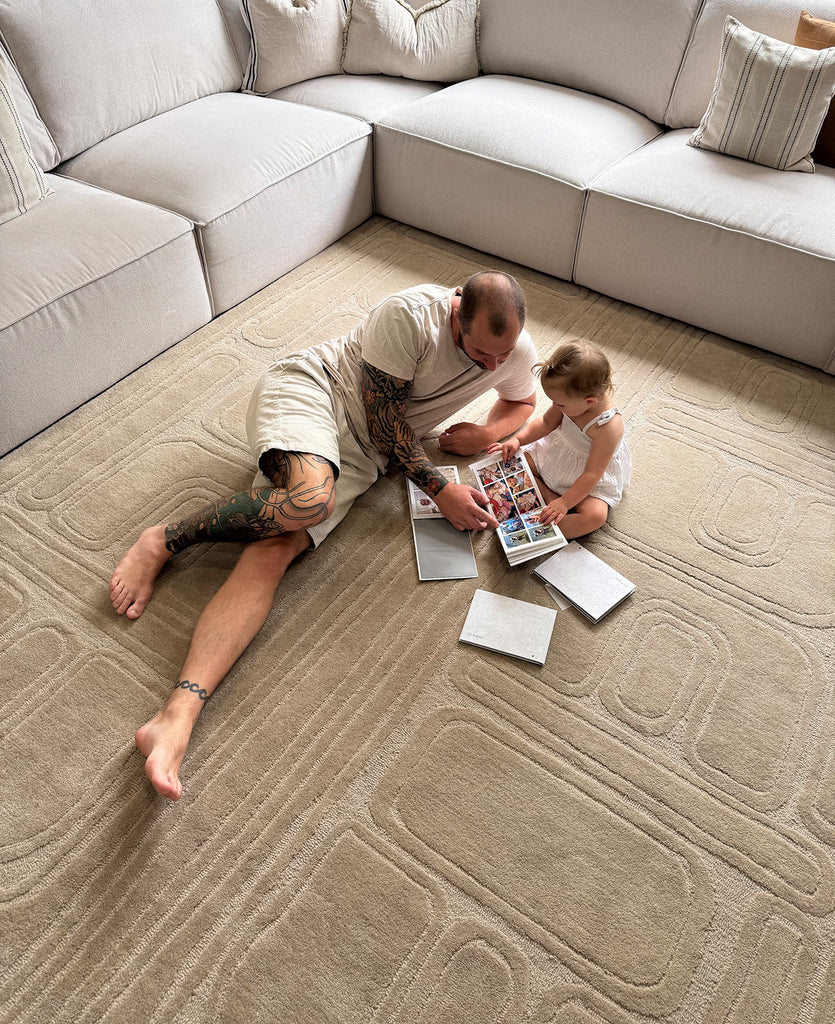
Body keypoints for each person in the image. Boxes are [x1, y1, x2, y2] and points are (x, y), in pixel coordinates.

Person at [110, 271, 537, 800]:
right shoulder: (408, 315)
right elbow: (384, 422)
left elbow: (523, 402)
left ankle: (176, 716)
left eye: (503, 355)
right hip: (318, 392)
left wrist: (488, 432)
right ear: (456, 312)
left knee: (272, 553)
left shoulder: (514, 350)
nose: (493, 366)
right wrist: (439, 489)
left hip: (366, 457)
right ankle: (164, 539)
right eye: (479, 353)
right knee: (309, 500)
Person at [486, 338, 630, 538]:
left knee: (595, 516)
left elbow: (592, 474)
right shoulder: (571, 400)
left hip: (587, 477)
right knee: (510, 461)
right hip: (557, 455)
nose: (556, 406)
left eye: (560, 405)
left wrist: (565, 502)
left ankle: (538, 528)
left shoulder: (608, 427)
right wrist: (517, 440)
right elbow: (546, 423)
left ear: (589, 401)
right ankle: (548, 495)